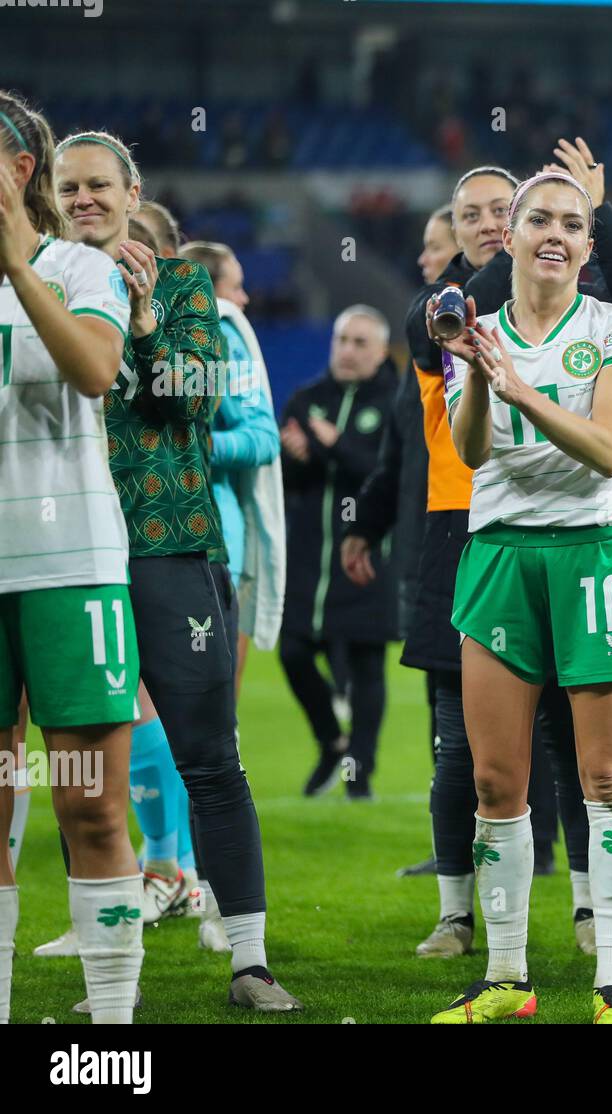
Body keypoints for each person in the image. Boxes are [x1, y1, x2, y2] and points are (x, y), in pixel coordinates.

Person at [52, 129, 300, 1010]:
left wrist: (149, 317)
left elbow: (189, 399)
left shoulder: (189, 286)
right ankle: (109, 975)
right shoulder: (38, 289)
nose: (84, 199)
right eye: (69, 186)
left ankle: (250, 960)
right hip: (70, 555)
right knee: (88, 773)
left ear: (131, 190)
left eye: (98, 185)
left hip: (171, 545)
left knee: (209, 758)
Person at [428, 171, 612, 1025]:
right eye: (539, 221)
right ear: (511, 236)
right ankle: (507, 980)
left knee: (604, 774)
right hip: (499, 554)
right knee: (495, 779)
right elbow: (475, 451)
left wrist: (522, 387)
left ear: (589, 246)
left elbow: (604, 450)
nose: (554, 234)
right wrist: (484, 375)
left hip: (593, 556)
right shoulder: (473, 332)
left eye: (572, 223)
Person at [0, 92, 144, 1025]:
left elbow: (94, 372)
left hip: (69, 566)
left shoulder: (79, 266)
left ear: (19, 168)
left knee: (89, 806)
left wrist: (17, 266)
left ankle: (112, 1034)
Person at [179, 238, 285, 951]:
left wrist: (181, 447)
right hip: (113, 542)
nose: (243, 300)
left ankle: (215, 901)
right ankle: (153, 877)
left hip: (212, 549)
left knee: (211, 736)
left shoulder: (223, 330)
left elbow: (260, 436)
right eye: (236, 286)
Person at [279, 305, 398, 801]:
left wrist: (333, 445)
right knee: (292, 651)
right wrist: (293, 458)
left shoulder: (393, 402)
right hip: (309, 558)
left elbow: (382, 472)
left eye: (360, 343)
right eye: (342, 340)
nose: (347, 351)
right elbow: (284, 480)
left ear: (381, 351)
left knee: (368, 667)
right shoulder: (307, 399)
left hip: (367, 556)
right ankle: (332, 741)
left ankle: (359, 774)